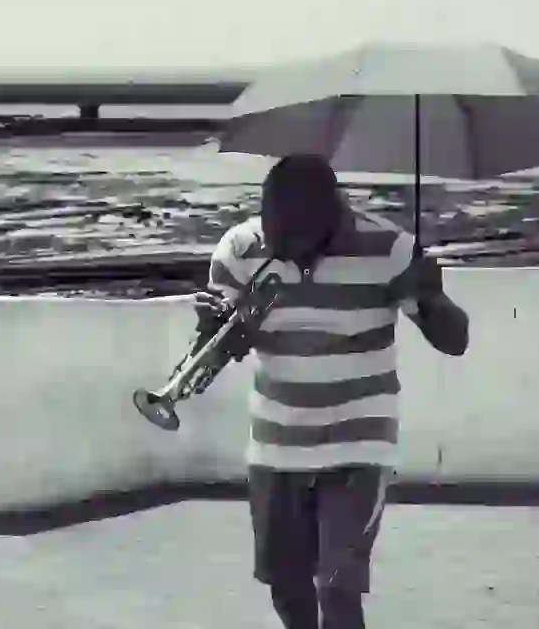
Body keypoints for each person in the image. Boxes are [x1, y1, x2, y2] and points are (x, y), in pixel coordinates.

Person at [190, 154, 469, 629]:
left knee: (337, 585)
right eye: (275, 236)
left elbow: (454, 341)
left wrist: (433, 297)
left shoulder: (390, 249)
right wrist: (211, 334)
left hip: (359, 442)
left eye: (296, 241)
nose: (285, 252)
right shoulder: (239, 249)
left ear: (333, 219)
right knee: (287, 587)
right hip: (276, 445)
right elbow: (214, 356)